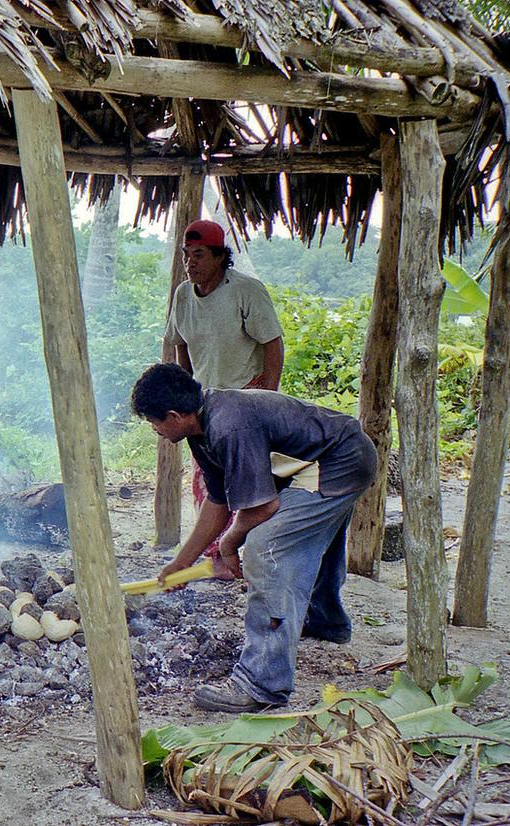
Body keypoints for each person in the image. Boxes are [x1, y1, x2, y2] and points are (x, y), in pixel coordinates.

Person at [131, 363, 377, 713]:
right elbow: (218, 502)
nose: (154, 430)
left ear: (173, 416)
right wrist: (182, 562)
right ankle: (326, 621)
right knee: (305, 535)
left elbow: (262, 508)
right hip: (326, 459)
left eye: (153, 422)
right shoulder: (201, 426)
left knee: (266, 548)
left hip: (341, 462)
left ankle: (261, 683)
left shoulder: (230, 425)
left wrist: (229, 545)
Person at [164, 219, 284, 509]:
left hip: (245, 397)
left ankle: (243, 536)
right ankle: (215, 537)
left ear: (219, 257)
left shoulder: (245, 290)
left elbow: (273, 343)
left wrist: (267, 395)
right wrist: (185, 395)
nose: (190, 263)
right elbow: (179, 343)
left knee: (247, 486)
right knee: (211, 484)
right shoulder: (183, 295)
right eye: (186, 255)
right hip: (205, 401)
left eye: (199, 255)